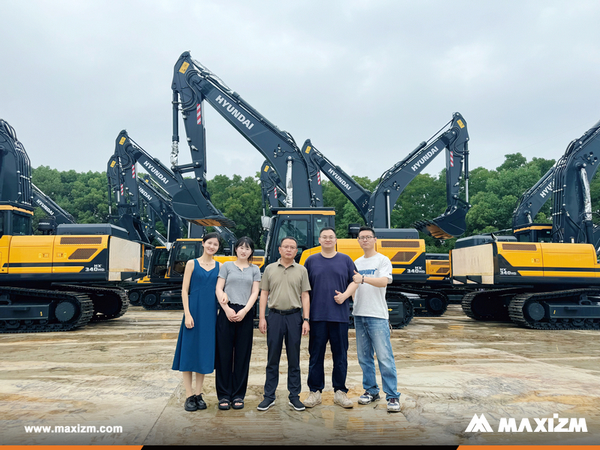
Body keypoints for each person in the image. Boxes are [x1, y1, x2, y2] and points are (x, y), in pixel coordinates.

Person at [303, 227, 358, 409]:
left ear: (336, 240)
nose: (328, 239)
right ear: (319, 240)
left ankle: (340, 392)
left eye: (331, 237)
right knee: (316, 355)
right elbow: (304, 290)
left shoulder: (346, 260)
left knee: (340, 356)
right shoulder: (311, 261)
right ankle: (315, 392)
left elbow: (355, 280)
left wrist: (345, 296)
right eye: (324, 237)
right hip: (317, 317)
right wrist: (306, 318)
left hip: (339, 317)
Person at [257, 236, 311, 412]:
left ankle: (294, 396)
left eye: (292, 247)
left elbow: (305, 296)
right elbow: (264, 294)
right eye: (285, 247)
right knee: (273, 358)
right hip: (274, 317)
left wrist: (306, 319)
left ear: (296, 251)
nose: (289, 250)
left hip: (295, 317)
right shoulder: (270, 269)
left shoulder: (302, 270)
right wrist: (262, 318)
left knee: (294, 359)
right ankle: (269, 396)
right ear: (279, 249)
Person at [352, 226, 401, 412]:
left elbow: (383, 281)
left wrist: (363, 278)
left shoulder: (383, 260)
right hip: (359, 315)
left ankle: (393, 396)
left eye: (368, 237)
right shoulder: (356, 262)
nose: (364, 240)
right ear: (358, 241)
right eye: (361, 237)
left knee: (384, 357)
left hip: (377, 315)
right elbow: (353, 286)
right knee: (364, 357)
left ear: (375, 239)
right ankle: (371, 391)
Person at [171, 232, 221, 412]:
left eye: (215, 244)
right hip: (193, 312)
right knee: (189, 353)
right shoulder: (192, 263)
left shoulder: (219, 266)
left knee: (203, 354)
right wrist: (188, 313)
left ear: (218, 247)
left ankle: (199, 394)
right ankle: (188, 395)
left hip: (210, 315)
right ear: (203, 243)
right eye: (209, 243)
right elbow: (185, 290)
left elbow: (219, 290)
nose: (212, 247)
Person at [215, 236, 261, 410]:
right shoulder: (226, 266)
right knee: (224, 355)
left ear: (251, 251)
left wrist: (244, 311)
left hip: (245, 313)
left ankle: (238, 395)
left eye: (247, 248)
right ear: (236, 249)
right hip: (226, 311)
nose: (243, 250)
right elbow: (219, 288)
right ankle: (224, 395)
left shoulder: (255, 270)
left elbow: (255, 292)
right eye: (241, 247)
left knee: (242, 355)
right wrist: (226, 308)